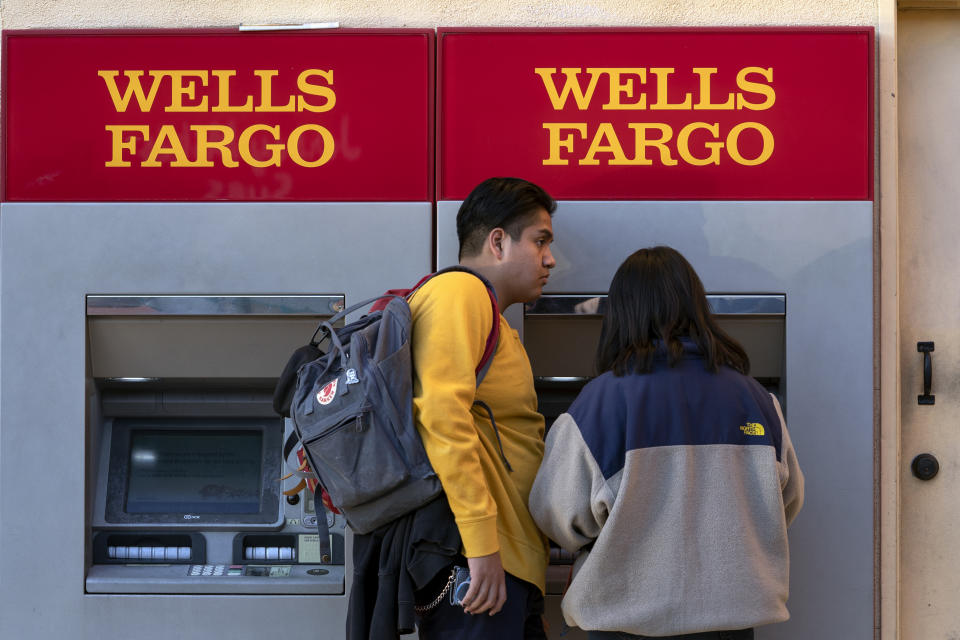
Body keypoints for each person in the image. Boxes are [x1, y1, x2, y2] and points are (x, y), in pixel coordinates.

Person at [528, 246, 804, 640]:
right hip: (731, 627)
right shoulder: (757, 400)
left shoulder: (603, 401)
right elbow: (786, 503)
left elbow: (559, 516)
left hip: (622, 625)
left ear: (622, 314)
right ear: (697, 308)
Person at [408, 177, 557, 639]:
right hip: (479, 566)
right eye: (540, 241)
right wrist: (482, 547)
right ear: (498, 241)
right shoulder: (460, 294)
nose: (550, 258)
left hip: (503, 561)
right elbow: (441, 416)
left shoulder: (491, 315)